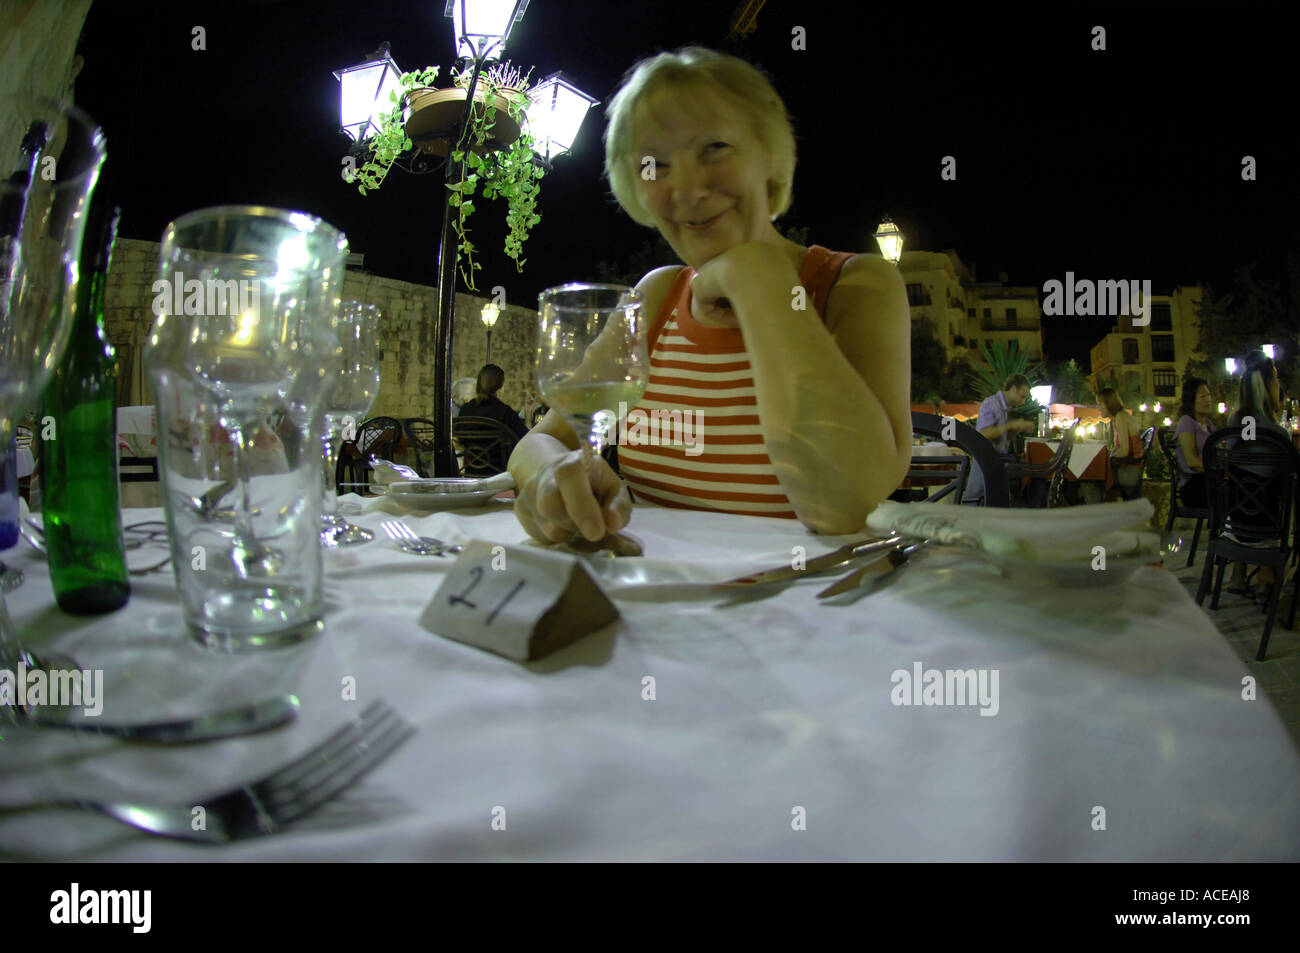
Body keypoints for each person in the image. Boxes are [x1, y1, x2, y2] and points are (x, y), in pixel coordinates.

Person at [507, 47, 911, 543]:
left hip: (811, 608)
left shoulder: (855, 287)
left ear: (769, 157)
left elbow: (844, 504)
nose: (688, 187)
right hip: (658, 600)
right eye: (653, 165)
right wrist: (552, 473)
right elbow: (541, 440)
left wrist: (758, 279)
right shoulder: (656, 296)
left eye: (714, 147)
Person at [1223, 351, 1296, 599]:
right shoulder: (1279, 434)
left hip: (1235, 523)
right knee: (1283, 493)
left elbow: (1232, 468)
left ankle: (1237, 575)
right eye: (1275, 378)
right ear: (1268, 385)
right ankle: (1268, 569)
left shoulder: (1234, 421)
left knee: (1245, 488)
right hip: (1268, 528)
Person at [962, 374, 1035, 503]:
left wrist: (1017, 428)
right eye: (1022, 397)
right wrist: (1010, 425)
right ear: (1013, 389)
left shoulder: (1003, 409)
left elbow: (1001, 437)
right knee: (975, 503)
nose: (1023, 401)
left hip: (994, 465)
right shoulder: (992, 403)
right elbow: (982, 434)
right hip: (986, 465)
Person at [1173, 377, 1216, 508]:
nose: (1208, 399)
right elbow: (1192, 462)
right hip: (1194, 486)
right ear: (1191, 400)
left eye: (1208, 395)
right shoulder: (1186, 422)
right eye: (1203, 396)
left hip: (1208, 480)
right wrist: (1220, 470)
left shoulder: (1209, 425)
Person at [1099, 386, 1143, 500]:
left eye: (1100, 404)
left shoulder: (1121, 417)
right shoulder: (1121, 417)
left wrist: (1108, 457)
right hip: (1129, 467)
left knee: (1091, 480)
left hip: (1130, 470)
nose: (1098, 408)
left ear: (1108, 404)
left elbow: (1124, 451)